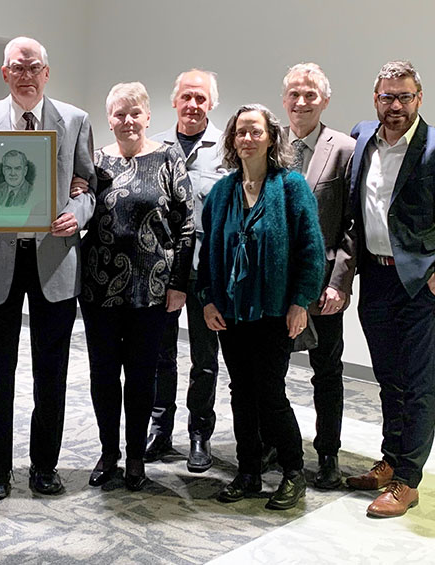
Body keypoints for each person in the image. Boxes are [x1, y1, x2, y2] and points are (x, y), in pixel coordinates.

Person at [0, 36, 96, 501]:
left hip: (54, 257)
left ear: (46, 73)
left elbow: (88, 185)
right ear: (5, 73)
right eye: (18, 66)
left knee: (50, 371)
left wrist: (80, 211)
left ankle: (45, 466)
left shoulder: (74, 120)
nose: (26, 74)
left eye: (34, 67)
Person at [346, 61, 435, 517]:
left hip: (420, 284)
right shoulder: (362, 136)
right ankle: (390, 460)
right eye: (388, 96)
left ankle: (408, 480)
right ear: (376, 99)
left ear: (418, 99)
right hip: (377, 278)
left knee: (418, 383)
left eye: (404, 96)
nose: (396, 105)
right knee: (388, 379)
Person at [196, 104, 324, 510]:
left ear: (271, 137)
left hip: (273, 311)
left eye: (255, 131)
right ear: (232, 140)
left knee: (269, 392)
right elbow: (209, 252)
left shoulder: (290, 187)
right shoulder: (222, 191)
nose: (247, 139)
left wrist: (300, 301)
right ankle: (248, 471)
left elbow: (311, 250)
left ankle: (292, 471)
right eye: (240, 132)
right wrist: (208, 298)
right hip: (232, 312)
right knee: (240, 392)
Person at [80, 82, 194, 491]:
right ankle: (108, 452)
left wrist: (180, 283)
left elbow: (185, 226)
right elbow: (80, 214)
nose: (127, 121)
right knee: (104, 376)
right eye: (118, 114)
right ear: (108, 119)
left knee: (143, 376)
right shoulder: (94, 163)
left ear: (147, 116)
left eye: (135, 113)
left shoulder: (168, 157)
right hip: (98, 289)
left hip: (153, 289)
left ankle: (135, 459)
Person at [145, 68, 225, 473]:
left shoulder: (226, 150)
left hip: (206, 273)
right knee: (160, 356)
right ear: (174, 100)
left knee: (204, 359)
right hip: (161, 271)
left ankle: (199, 434)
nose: (193, 105)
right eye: (186, 97)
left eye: (201, 98)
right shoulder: (154, 146)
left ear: (211, 103)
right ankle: (160, 431)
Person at [281, 62, 357, 489]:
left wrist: (339, 283)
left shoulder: (344, 149)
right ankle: (274, 443)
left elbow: (351, 225)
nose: (301, 101)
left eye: (310, 94)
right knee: (270, 370)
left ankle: (327, 453)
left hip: (323, 285)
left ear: (324, 99)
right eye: (294, 93)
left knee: (326, 372)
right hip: (275, 285)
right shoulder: (271, 146)